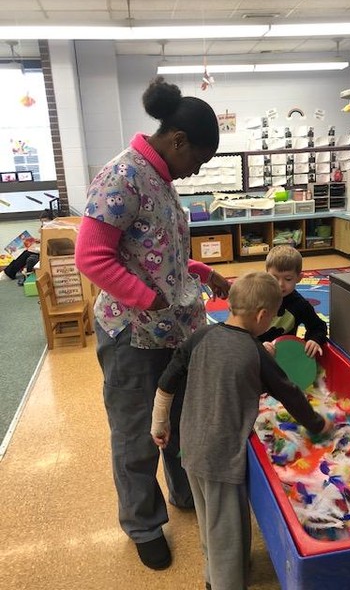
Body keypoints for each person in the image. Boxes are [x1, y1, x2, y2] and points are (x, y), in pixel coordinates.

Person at [74, 77, 230, 571]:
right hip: (133, 334)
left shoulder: (160, 178)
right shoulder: (122, 175)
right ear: (178, 140)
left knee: (181, 419)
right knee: (138, 431)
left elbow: (158, 251)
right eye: (198, 160)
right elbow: (91, 257)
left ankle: (184, 490)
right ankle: (143, 524)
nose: (195, 171)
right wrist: (148, 299)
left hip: (174, 330)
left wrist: (200, 272)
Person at [151, 271, 332, 590]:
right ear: (263, 316)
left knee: (210, 520)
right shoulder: (255, 351)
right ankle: (223, 584)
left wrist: (159, 422)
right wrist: (319, 424)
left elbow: (168, 380)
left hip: (190, 446)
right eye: (272, 317)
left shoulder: (201, 336)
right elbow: (288, 393)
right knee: (227, 532)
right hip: (221, 456)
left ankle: (216, 573)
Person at [259, 244, 328, 358]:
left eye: (288, 279)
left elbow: (318, 327)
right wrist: (259, 346)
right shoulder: (256, 298)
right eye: (274, 278)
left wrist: (313, 340)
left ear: (299, 278)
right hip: (255, 356)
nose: (280, 284)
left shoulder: (300, 305)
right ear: (266, 276)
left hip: (285, 357)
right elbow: (241, 331)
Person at [1, 209, 53, 284]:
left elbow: (50, 245)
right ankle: (8, 272)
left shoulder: (53, 229)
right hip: (45, 250)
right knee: (25, 251)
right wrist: (39, 240)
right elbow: (46, 241)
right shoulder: (46, 228)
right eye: (42, 222)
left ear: (52, 220)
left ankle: (8, 273)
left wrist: (38, 247)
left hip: (48, 253)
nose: (43, 223)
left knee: (27, 252)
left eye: (45, 221)